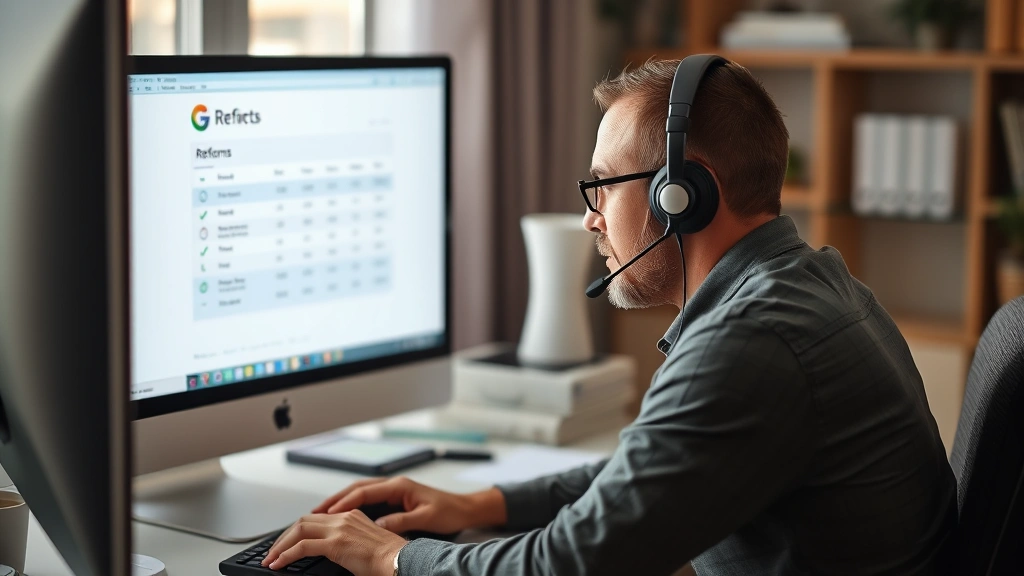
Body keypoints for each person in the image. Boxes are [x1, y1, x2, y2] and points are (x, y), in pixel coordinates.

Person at [262, 58, 957, 576]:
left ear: (683, 195)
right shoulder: (813, 282)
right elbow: (649, 474)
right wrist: (479, 506)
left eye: (602, 184)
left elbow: (571, 565)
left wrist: (391, 558)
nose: (591, 216)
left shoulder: (753, 341)